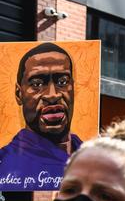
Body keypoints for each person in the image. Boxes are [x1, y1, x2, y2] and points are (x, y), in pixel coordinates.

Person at [0, 43, 82, 190]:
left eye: (62, 82)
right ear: (19, 94)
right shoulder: (5, 163)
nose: (52, 95)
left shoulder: (90, 157)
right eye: (37, 84)